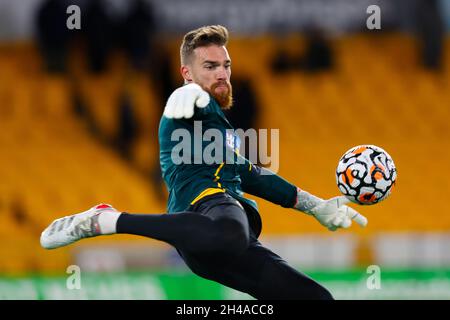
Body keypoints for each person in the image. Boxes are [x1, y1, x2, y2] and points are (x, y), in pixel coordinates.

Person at [40, 25, 367, 300]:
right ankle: (107, 220)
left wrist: (316, 206)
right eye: (209, 66)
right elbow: (181, 104)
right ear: (186, 73)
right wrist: (185, 95)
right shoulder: (190, 106)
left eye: (225, 65)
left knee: (315, 298)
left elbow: (250, 174)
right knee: (231, 233)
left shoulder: (218, 125)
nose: (222, 73)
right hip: (208, 214)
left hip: (215, 245)